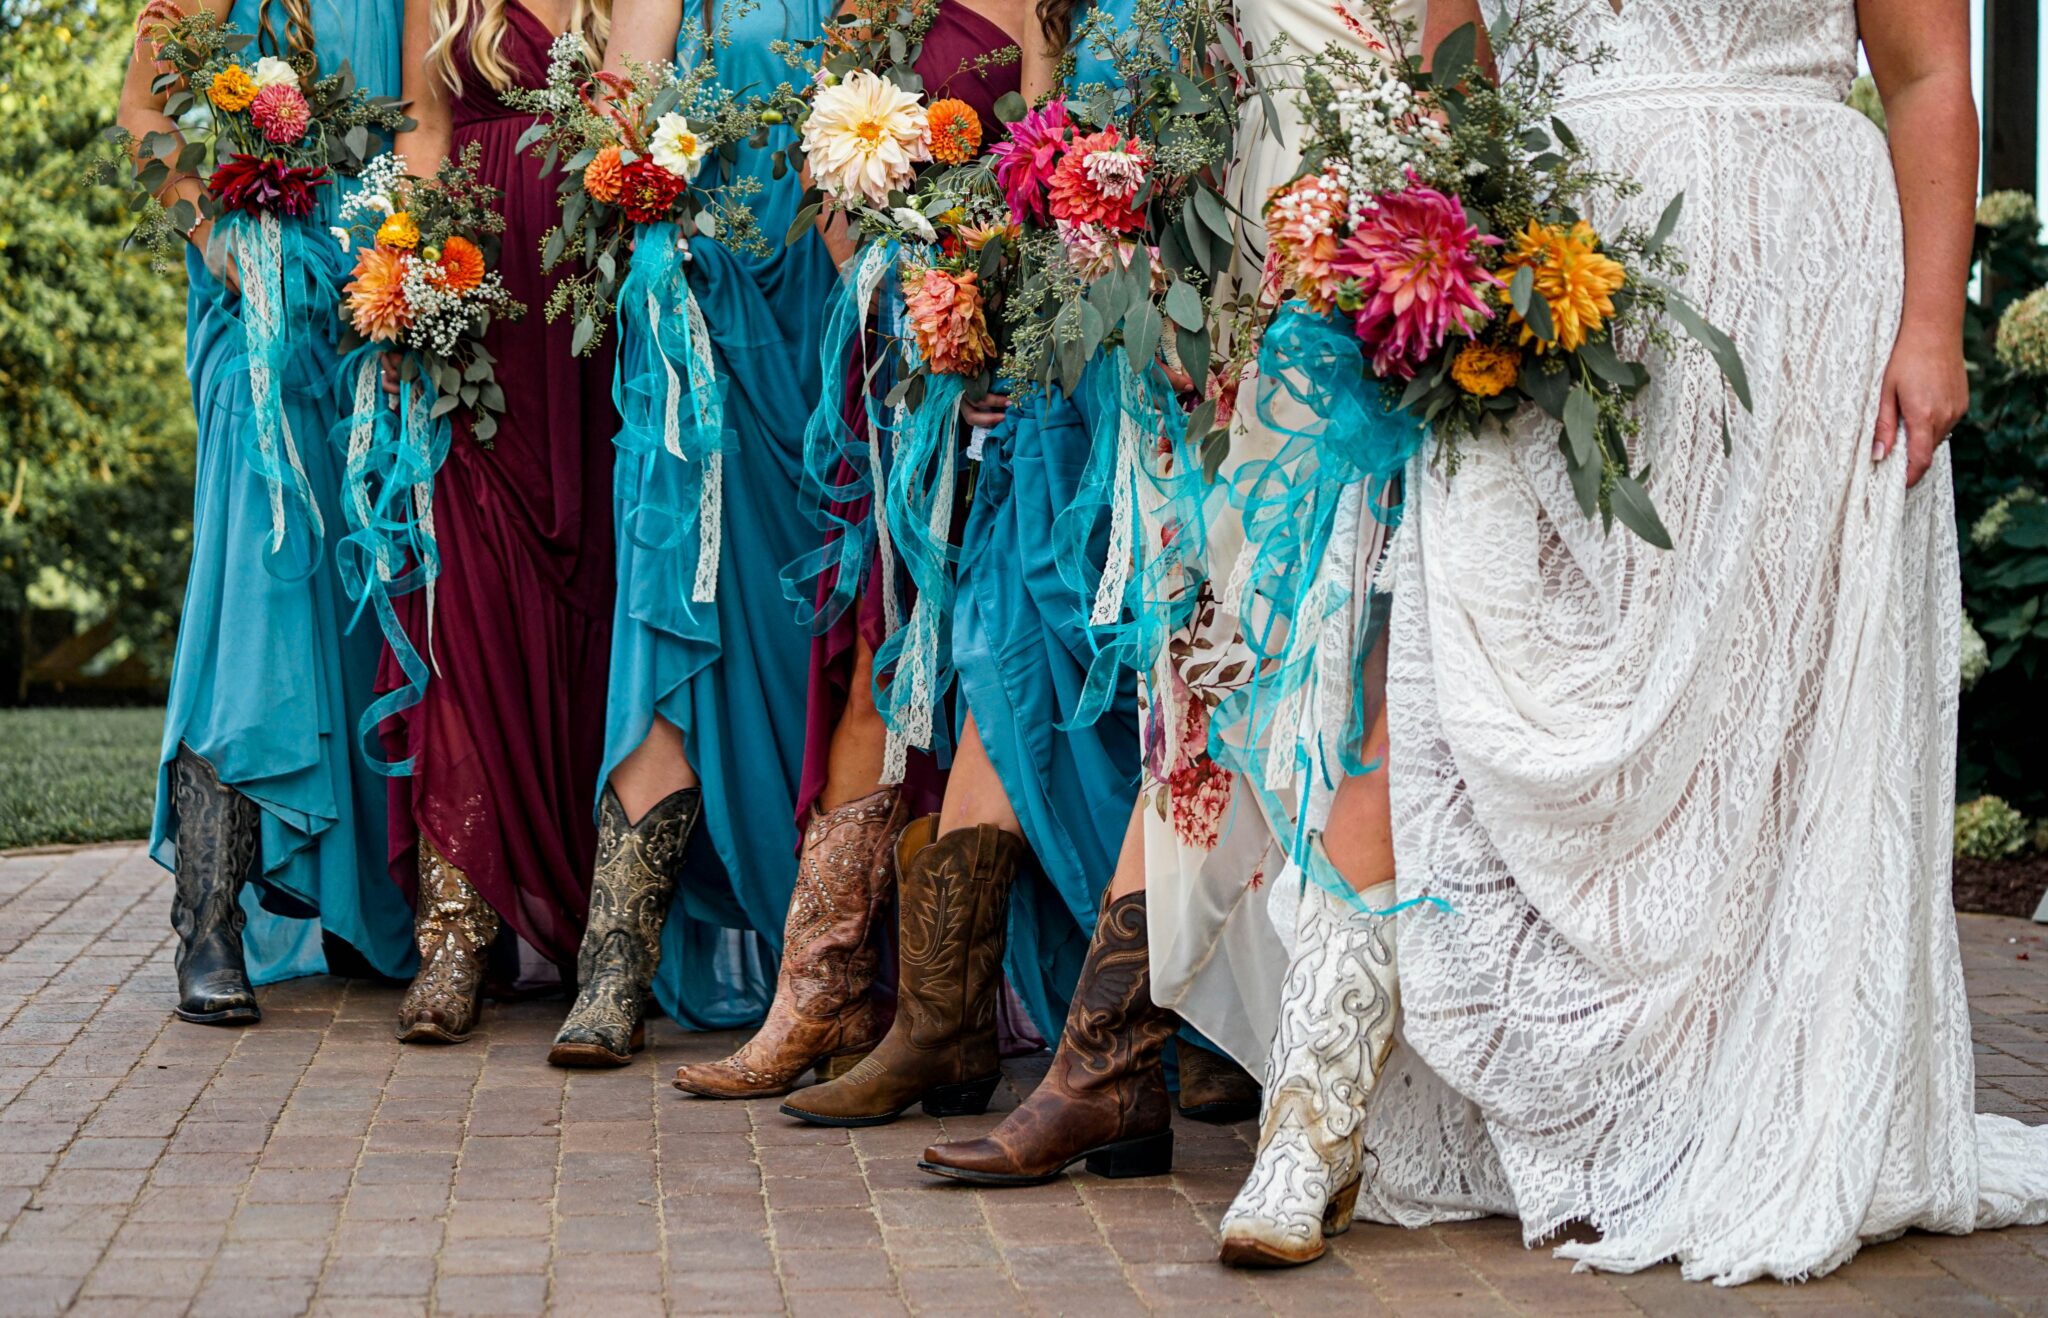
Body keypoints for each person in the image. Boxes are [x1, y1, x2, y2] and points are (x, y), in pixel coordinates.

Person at [1356, 0, 2048, 1284]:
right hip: (1557, 288)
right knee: (1524, 665)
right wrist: (1454, 267)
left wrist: (1932, 325)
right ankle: (1584, 1108)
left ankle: (1738, 1101)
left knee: (1763, 712)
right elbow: (1448, 65)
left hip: (1800, 292)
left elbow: (1926, 72)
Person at [670, 0, 1032, 1100]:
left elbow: (1050, 172)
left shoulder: (1048, 15)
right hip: (900, 374)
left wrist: (997, 323)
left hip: (1014, 379)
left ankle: (945, 1016)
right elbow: (834, 192)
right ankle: (819, 993)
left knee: (994, 679)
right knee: (877, 666)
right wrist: (895, 308)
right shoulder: (875, 12)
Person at [543, 0, 840, 1069]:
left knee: (813, 628)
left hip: (819, 316)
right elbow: (613, 125)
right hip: (697, 327)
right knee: (667, 602)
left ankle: (826, 957)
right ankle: (612, 963)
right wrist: (650, 216)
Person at [119, 0, 415, 1026]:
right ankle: (208, 915)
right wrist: (209, 238)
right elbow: (143, 115)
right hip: (251, 312)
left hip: (365, 305)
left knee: (355, 581)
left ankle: (346, 899)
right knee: (254, 584)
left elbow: (418, 123)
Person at [380, 0, 618, 1043]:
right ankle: (452, 936)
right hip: (476, 303)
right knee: (465, 608)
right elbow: (423, 131)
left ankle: (592, 919)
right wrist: (402, 277)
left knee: (594, 605)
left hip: (593, 300)